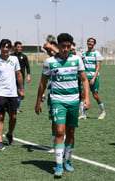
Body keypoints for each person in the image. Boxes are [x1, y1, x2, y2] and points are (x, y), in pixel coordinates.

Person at [35, 33, 90, 178]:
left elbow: (84, 80)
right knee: (60, 131)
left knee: (71, 132)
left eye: (68, 46)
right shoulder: (49, 62)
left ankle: (67, 160)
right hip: (57, 100)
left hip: (74, 101)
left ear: (71, 46)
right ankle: (58, 165)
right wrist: (38, 101)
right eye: (63, 46)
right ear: (57, 46)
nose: (65, 49)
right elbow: (43, 83)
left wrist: (87, 99)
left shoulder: (77, 60)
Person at [0, 39, 24, 151]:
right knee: (1, 116)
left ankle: (9, 134)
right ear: (0, 47)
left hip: (12, 93)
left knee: (13, 117)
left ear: (10, 49)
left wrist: (21, 89)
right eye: (3, 47)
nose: (5, 49)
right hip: (0, 93)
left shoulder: (14, 59)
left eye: (7, 47)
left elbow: (19, 74)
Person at [79, 37, 106, 120]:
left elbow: (98, 67)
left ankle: (103, 112)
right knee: (82, 95)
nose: (90, 43)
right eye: (88, 42)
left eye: (91, 42)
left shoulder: (97, 54)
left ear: (94, 44)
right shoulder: (83, 54)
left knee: (95, 95)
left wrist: (94, 78)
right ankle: (83, 114)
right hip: (85, 78)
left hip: (93, 77)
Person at [11, 41, 30, 113]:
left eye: (20, 47)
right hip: (12, 77)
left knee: (20, 92)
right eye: (18, 47)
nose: (20, 48)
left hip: (21, 78)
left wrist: (28, 75)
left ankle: (17, 108)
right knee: (12, 92)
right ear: (15, 47)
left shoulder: (24, 56)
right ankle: (12, 106)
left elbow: (27, 67)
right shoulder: (11, 56)